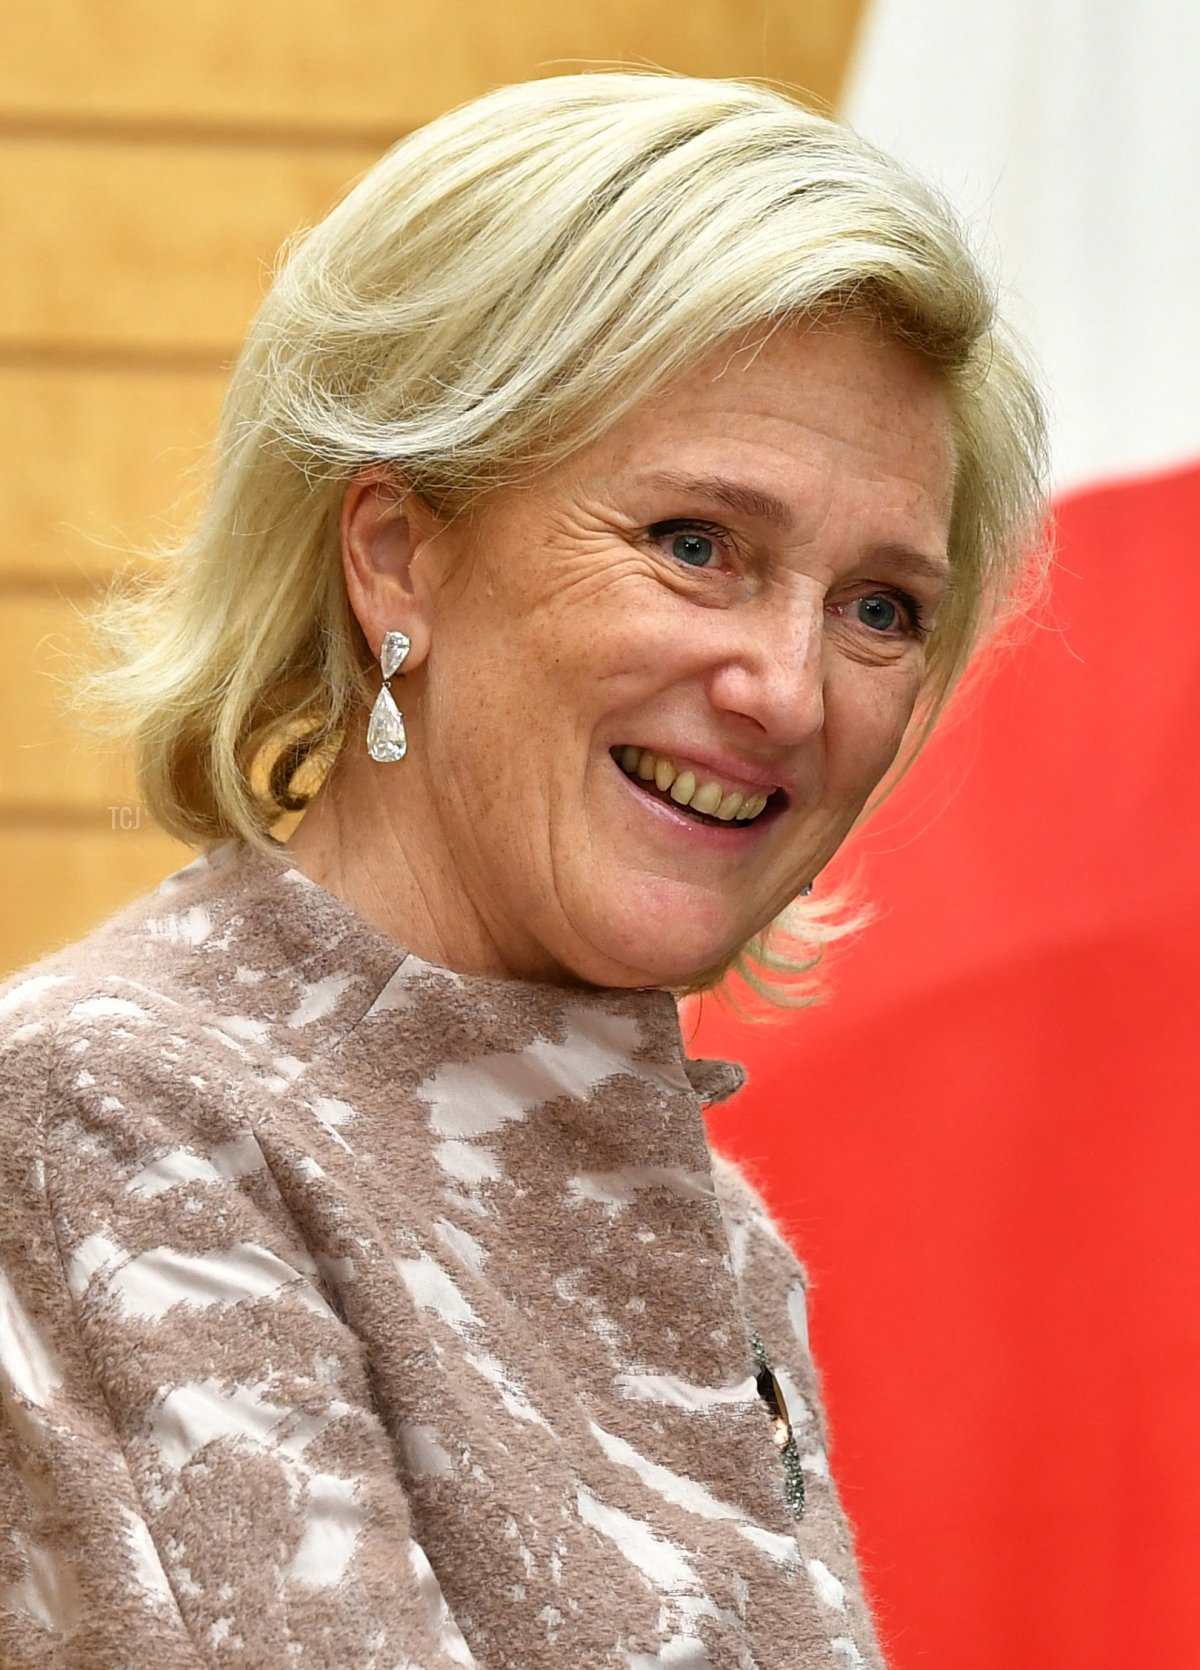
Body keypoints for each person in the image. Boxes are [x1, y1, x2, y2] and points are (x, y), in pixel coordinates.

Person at [0, 72, 1047, 1668]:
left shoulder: (719, 1234)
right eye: (699, 542)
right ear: (398, 553)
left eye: (882, 607)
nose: (792, 687)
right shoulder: (109, 1116)